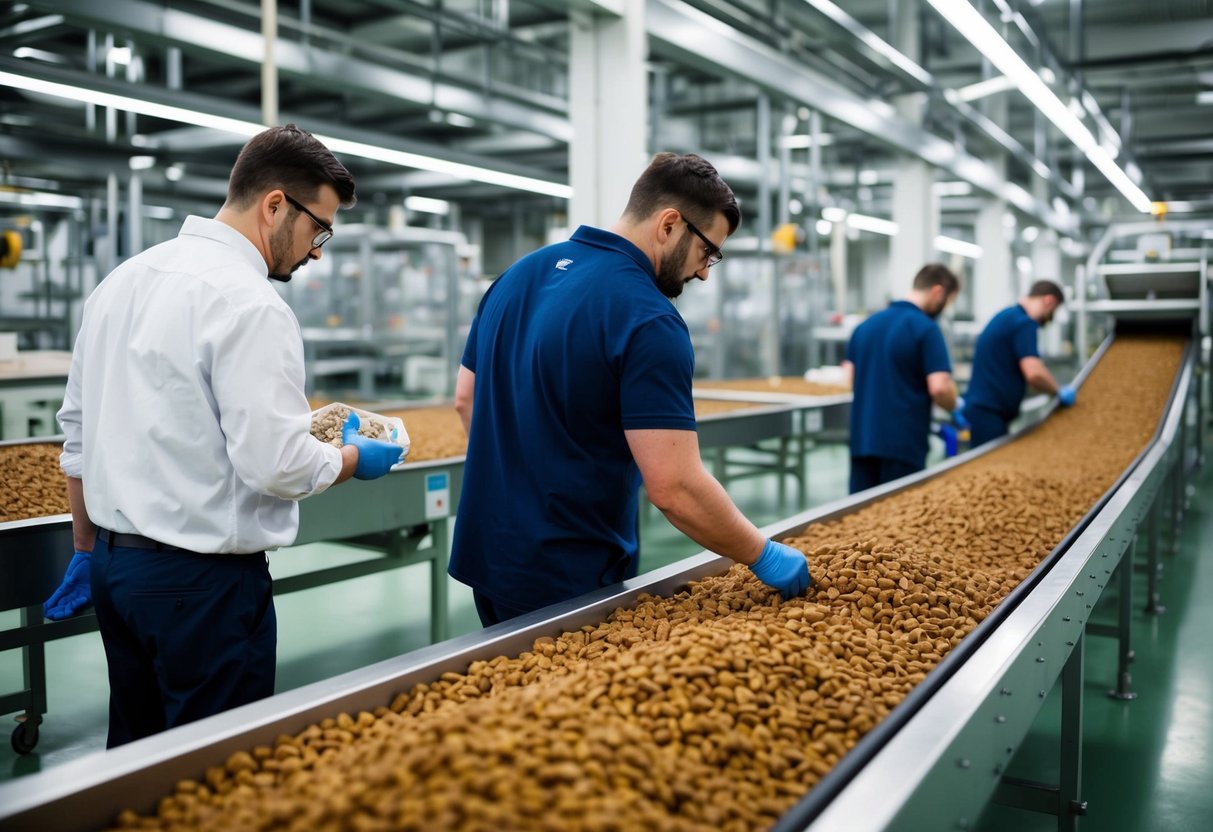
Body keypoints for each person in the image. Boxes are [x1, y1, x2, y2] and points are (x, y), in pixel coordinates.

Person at [41, 124, 404, 748]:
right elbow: (278, 464)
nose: (317, 251)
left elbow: (75, 431)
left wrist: (86, 546)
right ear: (273, 206)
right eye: (320, 228)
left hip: (115, 571)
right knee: (214, 773)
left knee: (136, 762)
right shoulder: (250, 304)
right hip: (201, 590)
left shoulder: (122, 281)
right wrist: (351, 457)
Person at [449, 152, 810, 627]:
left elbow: (465, 398)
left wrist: (523, 476)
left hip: (489, 554)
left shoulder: (516, 276)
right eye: (708, 252)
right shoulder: (648, 319)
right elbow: (675, 486)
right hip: (569, 570)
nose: (704, 272)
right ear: (669, 224)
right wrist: (761, 554)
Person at [844, 263, 962, 493]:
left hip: (862, 440)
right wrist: (956, 406)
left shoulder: (865, 326)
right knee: (899, 521)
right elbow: (939, 388)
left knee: (858, 519)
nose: (944, 308)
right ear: (938, 292)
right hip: (903, 444)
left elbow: (849, 378)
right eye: (947, 302)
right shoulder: (926, 329)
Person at [962, 279, 1075, 448]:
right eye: (1053, 311)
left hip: (982, 411)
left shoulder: (1007, 316)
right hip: (990, 415)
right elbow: (1034, 373)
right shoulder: (1024, 323)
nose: (1050, 318)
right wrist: (1058, 391)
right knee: (991, 469)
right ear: (1049, 301)